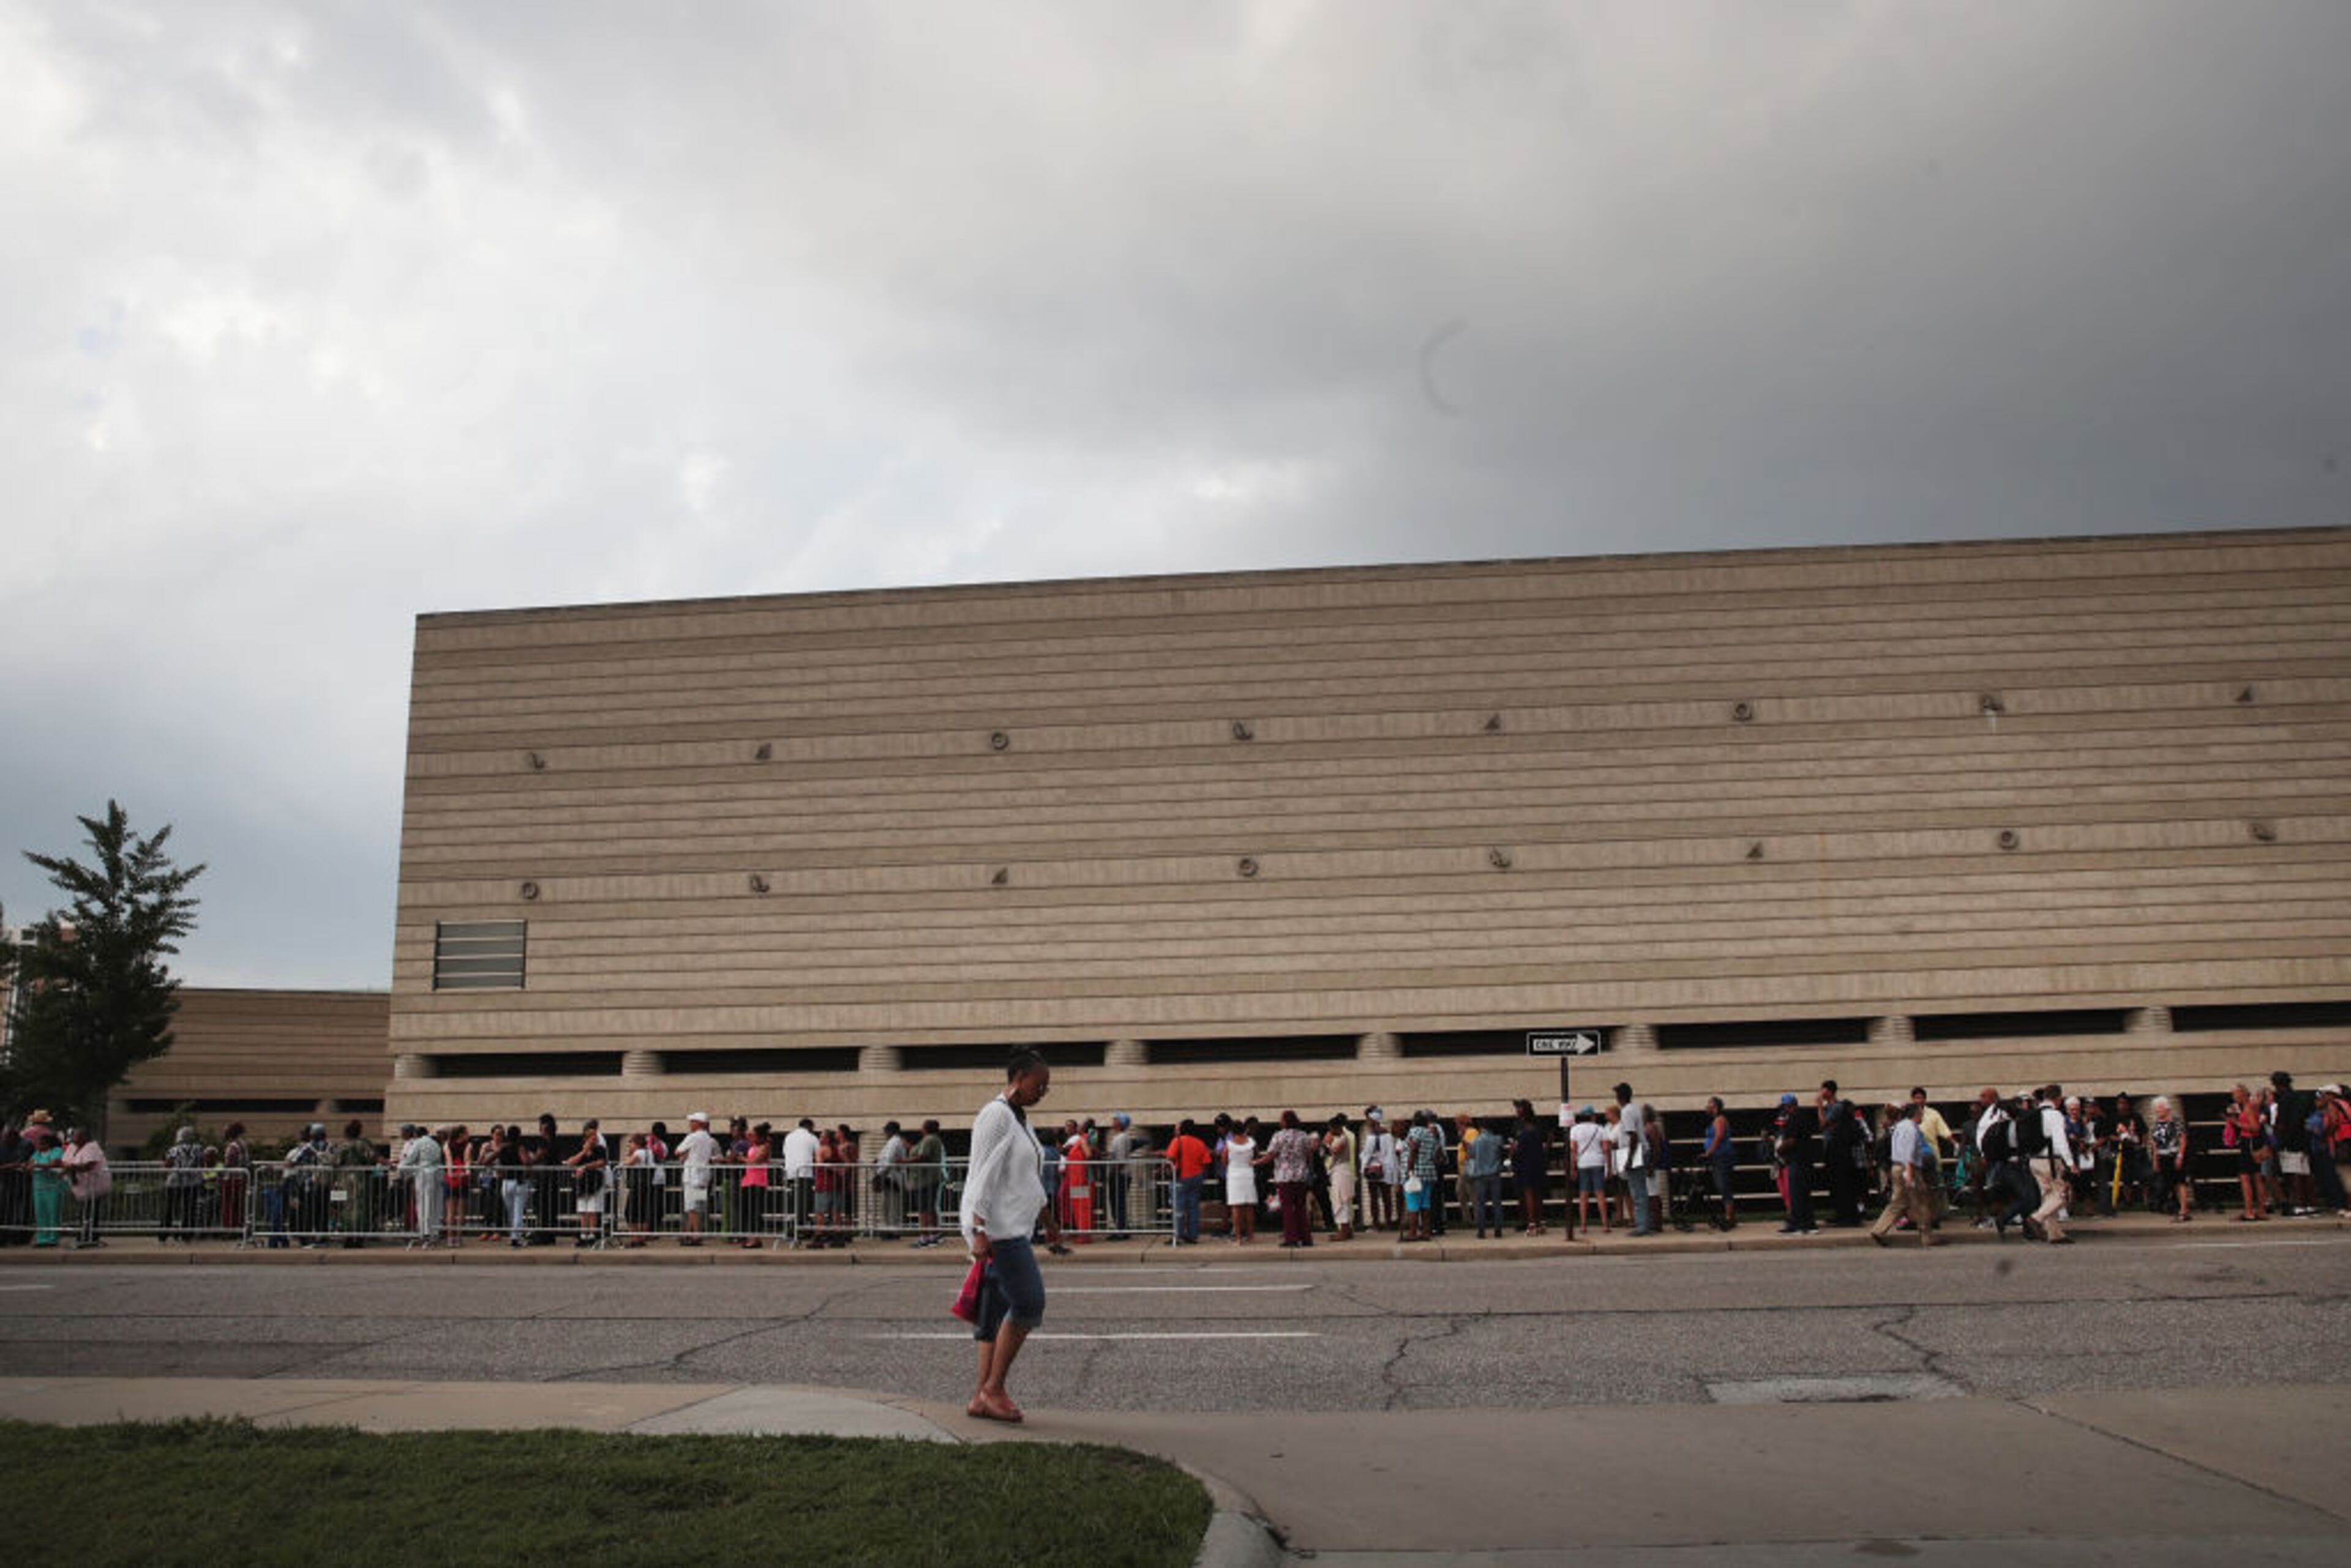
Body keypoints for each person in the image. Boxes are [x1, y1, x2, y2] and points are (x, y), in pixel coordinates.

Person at [961, 1048, 1060, 1424]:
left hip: (1011, 1225)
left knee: (995, 1313)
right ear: (1019, 1078)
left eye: (1048, 1086)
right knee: (1029, 1303)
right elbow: (984, 1173)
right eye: (1040, 1083)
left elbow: (1027, 1176)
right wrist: (980, 1228)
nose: (1044, 1090)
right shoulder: (996, 1115)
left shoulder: (1019, 1120)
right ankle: (994, 1390)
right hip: (998, 1230)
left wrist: (1047, 1218)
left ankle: (980, 1396)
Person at [1870, 1101, 1942, 1248]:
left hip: (1896, 1167)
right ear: (1916, 1114)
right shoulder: (1911, 1129)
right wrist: (1910, 1174)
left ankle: (1879, 1230)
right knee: (1921, 1201)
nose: (1922, 1115)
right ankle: (1927, 1237)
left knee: (1898, 1202)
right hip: (1909, 1168)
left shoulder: (1899, 1126)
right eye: (1921, 1113)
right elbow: (1909, 1152)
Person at [2024, 1086, 2074, 1244]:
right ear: (2058, 1099)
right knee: (2061, 1196)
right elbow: (2060, 1140)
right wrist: (2071, 1162)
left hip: (2034, 1160)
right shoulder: (2055, 1115)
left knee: (2048, 1196)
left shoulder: (2033, 1114)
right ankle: (2035, 1219)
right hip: (2050, 1160)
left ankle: (2055, 1234)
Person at [1265, 1111, 1317, 1249]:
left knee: (1287, 1208)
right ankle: (1306, 1238)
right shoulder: (1304, 1136)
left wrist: (1257, 1162)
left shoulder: (1278, 1136)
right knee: (1301, 1206)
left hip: (1284, 1176)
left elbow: (1272, 1154)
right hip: (1300, 1176)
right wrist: (1307, 1170)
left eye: (1281, 1119)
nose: (1279, 1122)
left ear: (1285, 1121)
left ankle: (1291, 1238)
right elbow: (1309, 1155)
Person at [1612, 1083, 1657, 1237]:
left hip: (1634, 1151)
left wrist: (1630, 1159)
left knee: (1637, 1191)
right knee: (1641, 1190)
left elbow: (1633, 1136)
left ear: (1620, 1097)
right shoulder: (1635, 1109)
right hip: (1640, 1150)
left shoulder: (1626, 1112)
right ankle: (1646, 1223)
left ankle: (1642, 1226)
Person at [1772, 1093, 1819, 1236]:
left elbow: (1792, 1141)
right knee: (1804, 1195)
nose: (1783, 1110)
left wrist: (1779, 1150)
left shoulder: (1794, 1118)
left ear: (1790, 1105)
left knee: (1796, 1195)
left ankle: (1797, 1225)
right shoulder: (1804, 1116)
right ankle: (1810, 1225)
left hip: (1797, 1161)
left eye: (1784, 1106)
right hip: (1806, 1161)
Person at [1166, 1119, 1212, 1245]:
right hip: (1197, 1177)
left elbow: (1170, 1158)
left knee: (1179, 1208)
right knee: (1193, 1208)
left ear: (1182, 1129)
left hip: (1181, 1177)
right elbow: (1207, 1162)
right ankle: (1192, 1235)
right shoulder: (1200, 1143)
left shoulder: (1177, 1141)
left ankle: (1178, 1235)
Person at [675, 1111, 719, 1245]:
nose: (690, 1124)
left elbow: (678, 1151)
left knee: (691, 1207)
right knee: (697, 1206)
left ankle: (696, 1235)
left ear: (699, 1123)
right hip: (704, 1175)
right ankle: (689, 1233)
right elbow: (715, 1156)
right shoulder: (709, 1139)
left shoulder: (693, 1137)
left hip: (692, 1175)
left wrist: (686, 1154)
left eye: (692, 1122)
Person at [399, 1123, 446, 1247]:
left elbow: (410, 1159)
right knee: (435, 1205)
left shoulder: (419, 1143)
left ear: (416, 1134)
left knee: (423, 1204)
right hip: (437, 1175)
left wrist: (399, 1167)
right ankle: (434, 1232)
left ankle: (425, 1233)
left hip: (424, 1175)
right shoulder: (435, 1143)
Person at [2148, 1096, 2192, 1222]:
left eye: (2160, 1107)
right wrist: (2155, 1159)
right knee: (2170, 1183)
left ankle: (2184, 1210)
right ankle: (2178, 1207)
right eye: (2156, 1108)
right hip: (2163, 1156)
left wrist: (2180, 1155)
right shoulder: (2156, 1124)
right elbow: (2155, 1143)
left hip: (2175, 1154)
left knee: (2180, 1182)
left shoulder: (2176, 1122)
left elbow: (2183, 1140)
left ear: (2167, 1108)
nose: (2158, 1110)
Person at [1400, 1109, 1441, 1244]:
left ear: (1414, 1122)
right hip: (1428, 1173)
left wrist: (1409, 1170)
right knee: (1426, 1204)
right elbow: (1437, 1152)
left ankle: (1413, 1233)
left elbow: (1413, 1149)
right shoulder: (1431, 1134)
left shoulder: (1415, 1132)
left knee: (1413, 1205)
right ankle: (1426, 1232)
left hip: (1415, 1173)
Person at [1567, 1105, 1609, 1232]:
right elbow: (1606, 1149)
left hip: (1583, 1163)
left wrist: (1572, 1168)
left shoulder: (1575, 1130)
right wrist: (1609, 1167)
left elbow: (1573, 1150)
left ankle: (1584, 1225)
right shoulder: (1600, 1129)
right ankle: (1605, 1225)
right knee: (1600, 1194)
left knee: (1583, 1195)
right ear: (1593, 1116)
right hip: (1598, 1162)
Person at [1464, 1112, 1506, 1238]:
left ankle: (1481, 1231)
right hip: (1494, 1173)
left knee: (1480, 1204)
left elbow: (1471, 1155)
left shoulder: (1477, 1141)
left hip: (1480, 1175)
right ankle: (1498, 1230)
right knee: (1497, 1203)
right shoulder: (1498, 1139)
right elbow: (1500, 1153)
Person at [566, 1119, 607, 1247]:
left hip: (595, 1181)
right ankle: (584, 1234)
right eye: (592, 1137)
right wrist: (584, 1152)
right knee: (583, 1209)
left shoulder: (600, 1149)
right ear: (586, 1138)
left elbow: (602, 1162)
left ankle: (593, 1234)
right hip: (583, 1182)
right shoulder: (581, 1149)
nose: (595, 1138)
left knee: (593, 1209)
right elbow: (571, 1162)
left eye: (595, 1136)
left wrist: (586, 1167)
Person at [907, 1119, 948, 1247]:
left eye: (922, 1126)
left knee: (924, 1209)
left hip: (926, 1180)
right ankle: (934, 1234)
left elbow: (923, 1156)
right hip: (929, 1179)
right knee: (930, 1208)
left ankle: (924, 1237)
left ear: (926, 1128)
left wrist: (903, 1162)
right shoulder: (932, 1139)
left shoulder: (929, 1139)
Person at [26, 1122, 66, 1247]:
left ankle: (53, 1238)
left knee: (53, 1212)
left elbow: (54, 1164)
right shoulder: (37, 1154)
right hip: (38, 1187)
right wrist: (29, 1166)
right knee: (40, 1213)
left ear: (48, 1144)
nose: (38, 1146)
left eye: (41, 1143)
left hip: (53, 1187)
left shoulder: (57, 1151)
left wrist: (38, 1166)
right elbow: (29, 1164)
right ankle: (42, 1238)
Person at [1701, 1097, 1738, 1231]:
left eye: (1709, 1105)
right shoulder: (1715, 1120)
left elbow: (1719, 1137)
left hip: (1723, 1157)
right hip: (1717, 1158)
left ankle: (1730, 1218)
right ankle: (1730, 1215)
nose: (1707, 1107)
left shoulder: (1720, 1120)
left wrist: (1709, 1152)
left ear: (1716, 1107)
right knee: (1721, 1185)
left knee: (1724, 1186)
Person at [162, 1126, 204, 1242]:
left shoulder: (174, 1150)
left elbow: (168, 1164)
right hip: (192, 1182)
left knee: (170, 1209)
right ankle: (187, 1235)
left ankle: (163, 1235)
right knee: (189, 1209)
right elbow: (202, 1162)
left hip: (174, 1182)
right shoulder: (198, 1149)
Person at [1360, 1109, 1399, 1232]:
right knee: (1387, 1197)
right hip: (1387, 1170)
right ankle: (1388, 1222)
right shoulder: (1388, 1135)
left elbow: (1367, 1154)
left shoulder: (1372, 1137)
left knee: (1374, 1198)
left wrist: (1363, 1167)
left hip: (1374, 1170)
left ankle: (1376, 1224)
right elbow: (1391, 1154)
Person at [735, 1122, 773, 1249]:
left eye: (754, 1135)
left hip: (758, 1181)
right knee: (747, 1211)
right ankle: (749, 1236)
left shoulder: (765, 1147)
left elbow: (755, 1161)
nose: (751, 1137)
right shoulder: (752, 1145)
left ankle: (755, 1238)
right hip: (748, 1180)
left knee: (755, 1211)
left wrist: (742, 1159)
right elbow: (746, 1136)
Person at [1222, 1119, 1259, 1244]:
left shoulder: (1229, 1144)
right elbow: (1256, 1155)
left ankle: (1238, 1236)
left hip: (1234, 1175)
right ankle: (1250, 1236)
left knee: (1236, 1207)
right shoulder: (1252, 1142)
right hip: (1248, 1173)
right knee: (1249, 1206)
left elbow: (1224, 1161)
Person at [781, 1117, 819, 1238]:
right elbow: (818, 1154)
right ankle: (802, 1227)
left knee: (793, 1202)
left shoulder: (789, 1137)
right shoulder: (812, 1138)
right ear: (810, 1127)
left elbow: (784, 1152)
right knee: (804, 1202)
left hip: (790, 1173)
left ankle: (793, 1227)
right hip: (805, 1173)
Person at [1325, 1113, 1360, 1241]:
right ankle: (1346, 1230)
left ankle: (1344, 1231)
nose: (1330, 1132)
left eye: (1331, 1129)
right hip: (1340, 1172)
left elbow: (1334, 1151)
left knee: (1341, 1200)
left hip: (1342, 1172)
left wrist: (1327, 1144)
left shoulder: (1343, 1138)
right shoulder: (1341, 1138)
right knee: (1340, 1200)